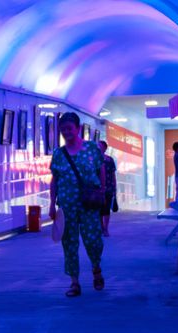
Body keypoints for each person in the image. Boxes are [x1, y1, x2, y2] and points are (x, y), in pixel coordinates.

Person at [49, 112, 106, 297]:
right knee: (69, 242)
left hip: (89, 203)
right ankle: (74, 282)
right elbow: (54, 180)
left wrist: (102, 191)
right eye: (63, 129)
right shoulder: (58, 154)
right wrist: (51, 203)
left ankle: (96, 269)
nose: (66, 132)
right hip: (66, 206)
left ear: (78, 129)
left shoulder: (91, 148)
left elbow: (101, 170)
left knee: (93, 239)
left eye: (69, 128)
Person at [97, 140, 119, 236]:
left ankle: (105, 228)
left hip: (108, 188)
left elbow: (113, 174)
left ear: (105, 148)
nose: (98, 148)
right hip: (96, 188)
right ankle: (101, 226)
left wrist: (114, 187)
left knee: (106, 209)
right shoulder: (93, 160)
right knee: (98, 209)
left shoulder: (109, 160)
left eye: (100, 146)